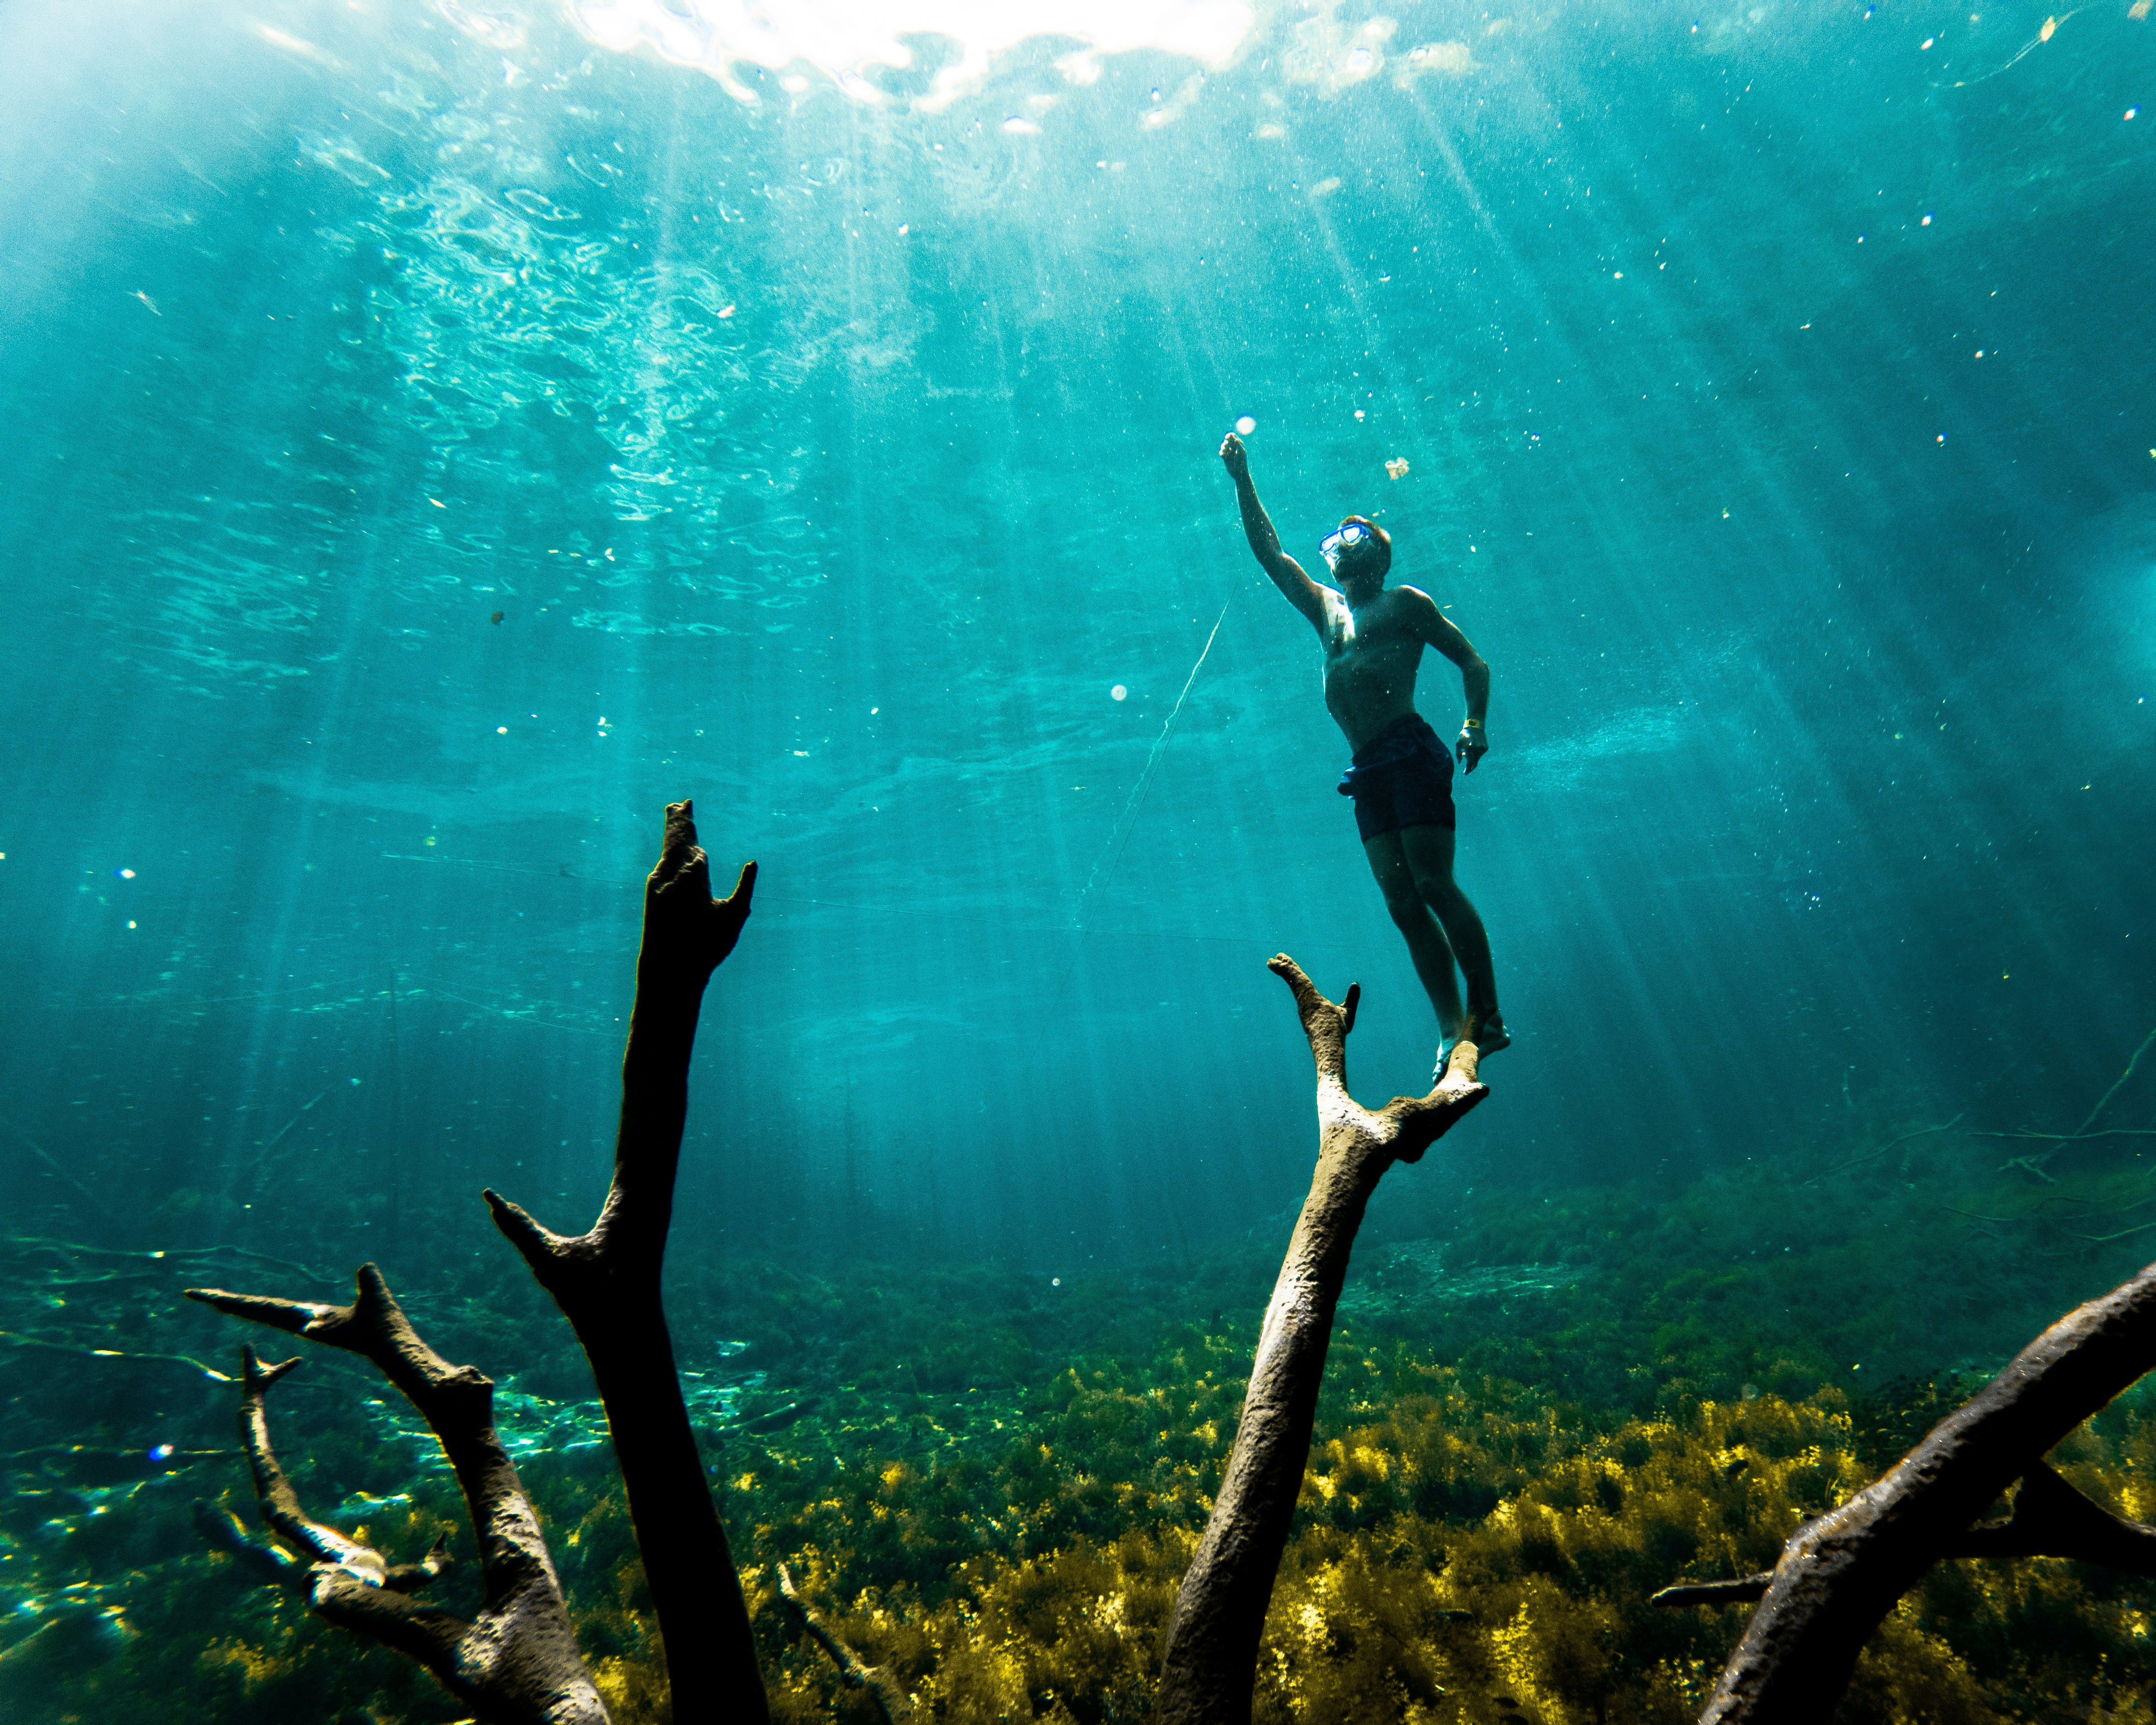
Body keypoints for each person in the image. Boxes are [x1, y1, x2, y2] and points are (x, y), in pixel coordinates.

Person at [1219, 431, 1507, 1070]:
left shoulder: (1405, 603)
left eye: (1353, 546)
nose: (1339, 557)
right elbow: (1270, 554)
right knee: (1401, 901)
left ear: (1376, 559)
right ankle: (1449, 1026)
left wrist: (1475, 723)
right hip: (1366, 769)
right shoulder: (1325, 612)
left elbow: (1472, 661)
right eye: (1335, 548)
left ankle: (1485, 1012)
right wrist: (1242, 481)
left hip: (1408, 749)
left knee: (1432, 882)